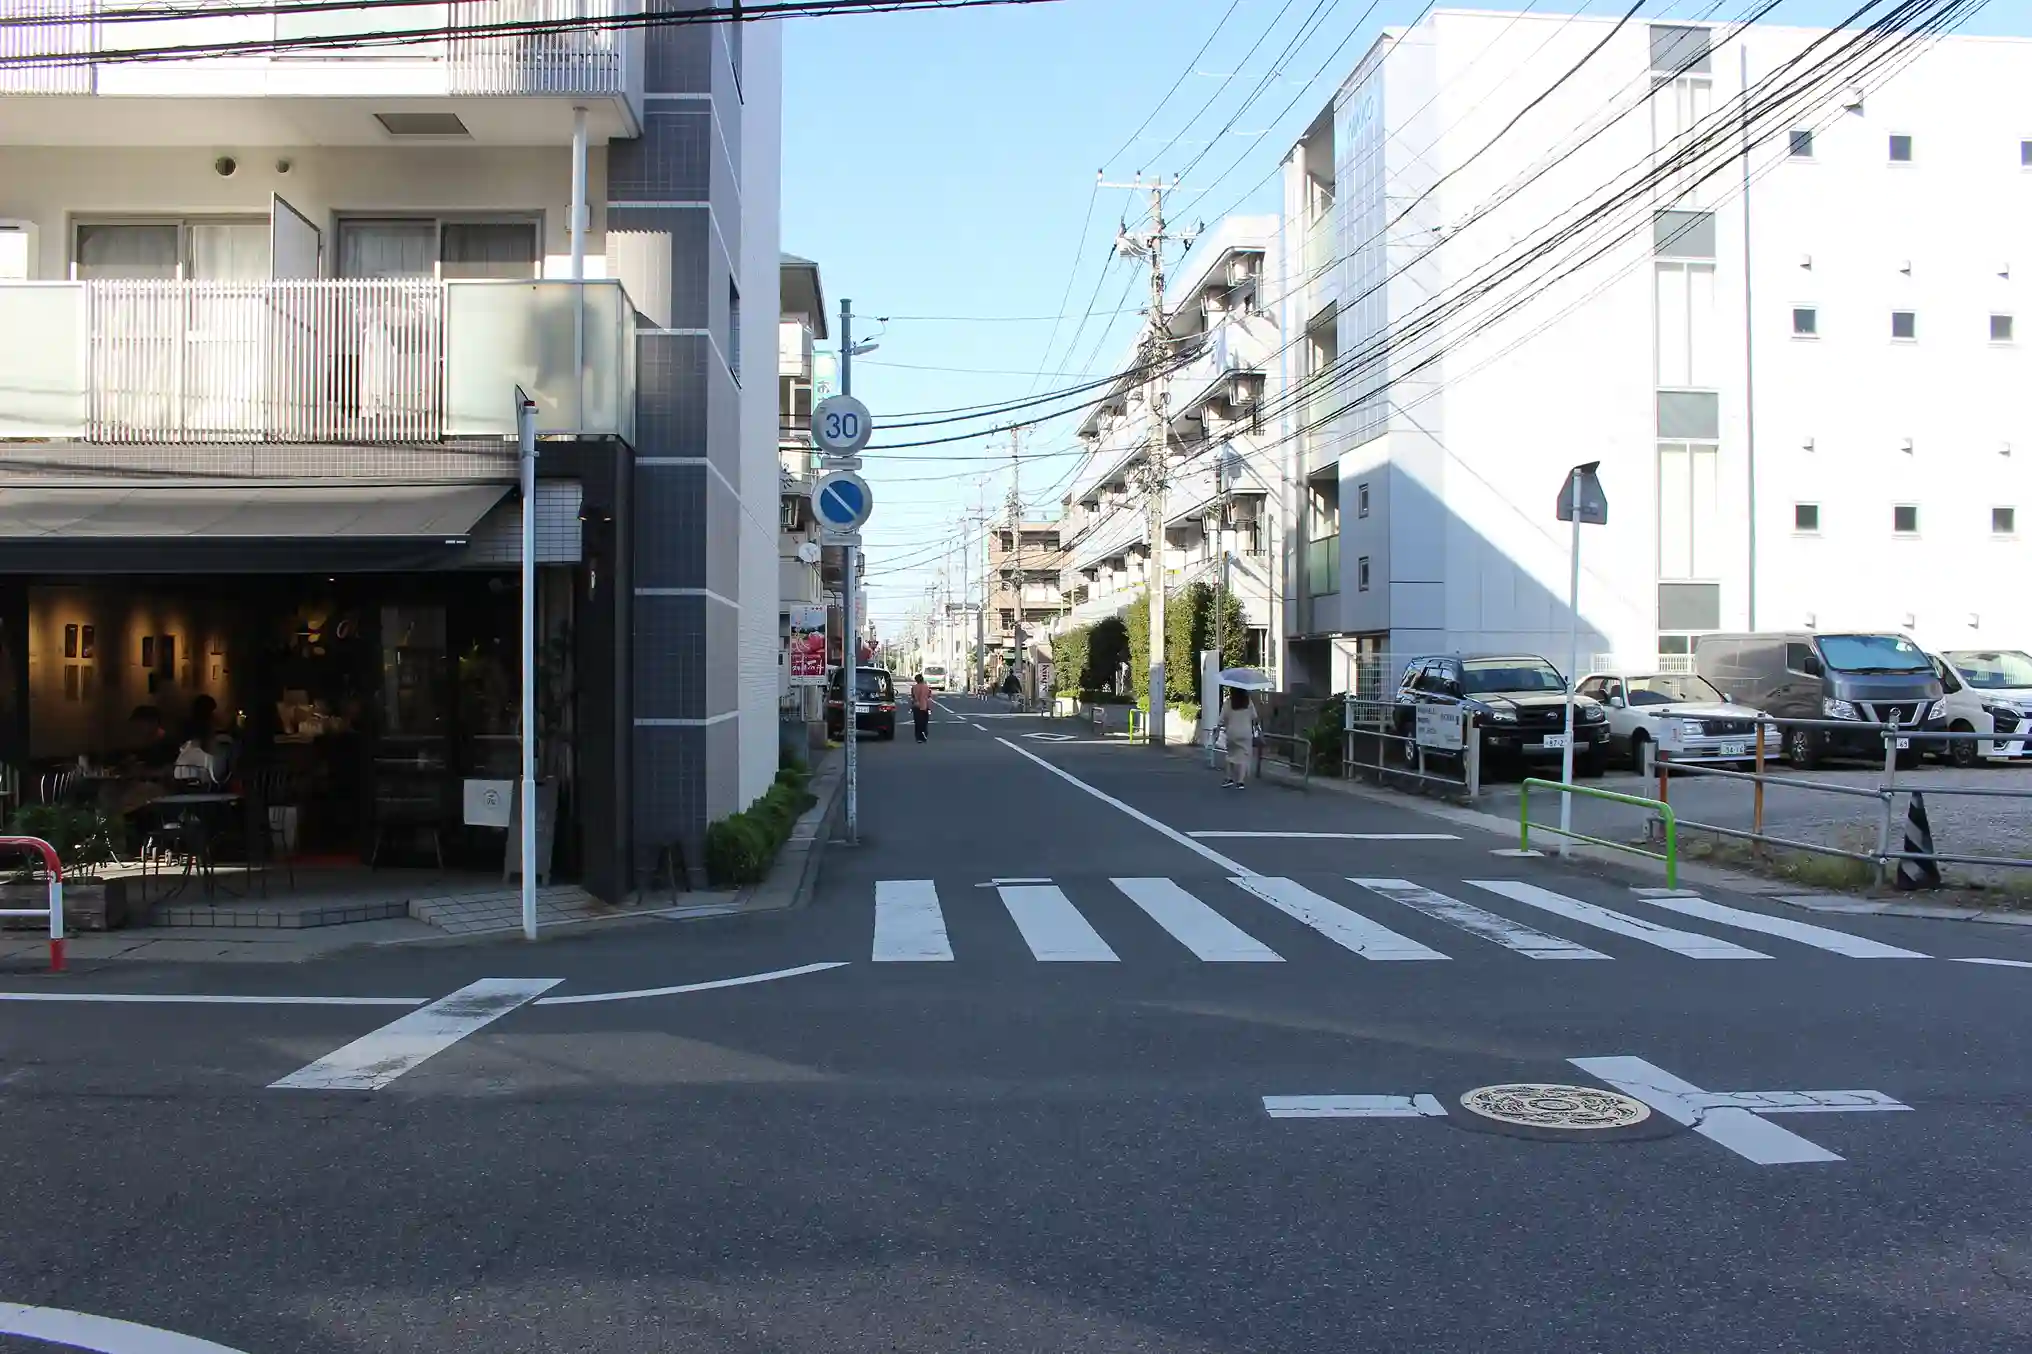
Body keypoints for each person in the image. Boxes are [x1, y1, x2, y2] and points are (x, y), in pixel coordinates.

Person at [1221, 686, 1259, 789]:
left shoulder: (1228, 702)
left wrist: (1222, 725)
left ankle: (1228, 778)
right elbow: (1255, 717)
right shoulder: (1248, 702)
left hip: (1232, 732)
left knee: (1230, 755)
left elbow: (1222, 718)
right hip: (1246, 733)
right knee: (1243, 756)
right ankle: (1240, 782)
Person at [910, 672, 934, 743]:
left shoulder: (914, 688)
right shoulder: (926, 687)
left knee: (917, 722)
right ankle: (924, 735)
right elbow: (929, 696)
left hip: (916, 706)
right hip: (924, 706)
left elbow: (913, 697)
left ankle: (918, 738)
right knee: (924, 722)